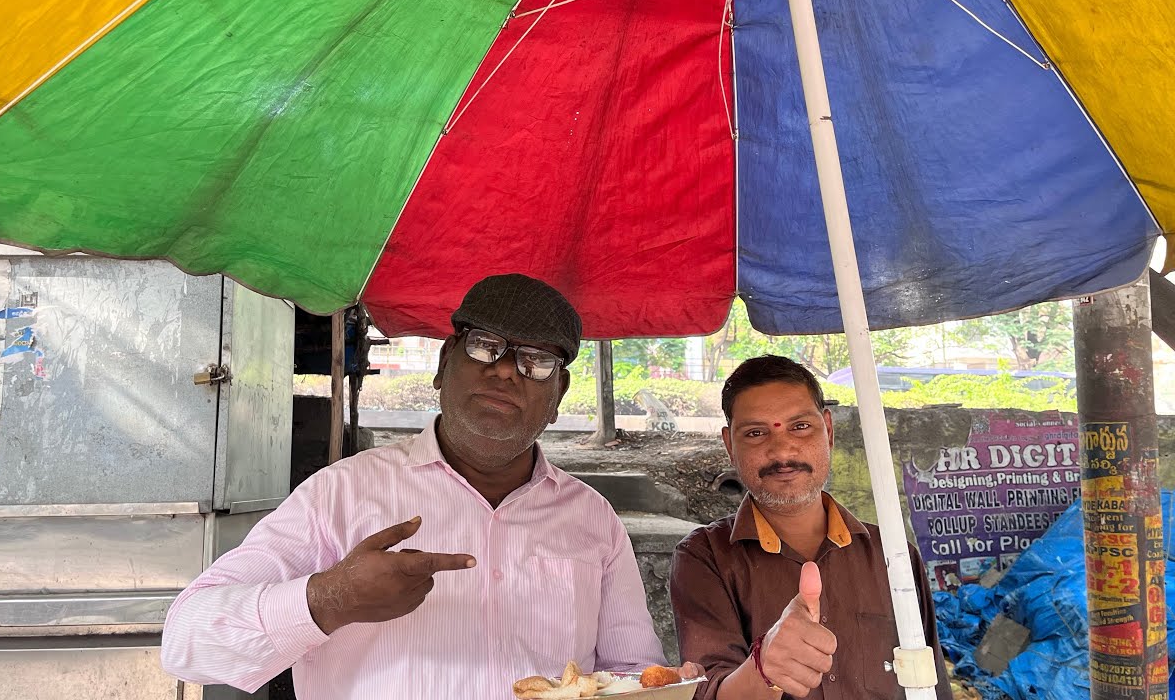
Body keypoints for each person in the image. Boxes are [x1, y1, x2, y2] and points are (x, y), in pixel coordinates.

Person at [161, 274, 672, 699]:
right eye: (484, 345)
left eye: (537, 361)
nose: (505, 373)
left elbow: (632, 673)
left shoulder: (592, 519)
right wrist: (329, 599)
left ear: (558, 395)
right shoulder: (340, 495)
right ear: (443, 364)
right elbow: (187, 640)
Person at [669, 355, 952, 700]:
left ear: (828, 431)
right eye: (756, 433)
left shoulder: (894, 555)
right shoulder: (704, 558)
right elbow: (706, 692)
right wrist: (764, 669)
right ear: (730, 445)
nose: (782, 449)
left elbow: (930, 683)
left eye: (800, 427)